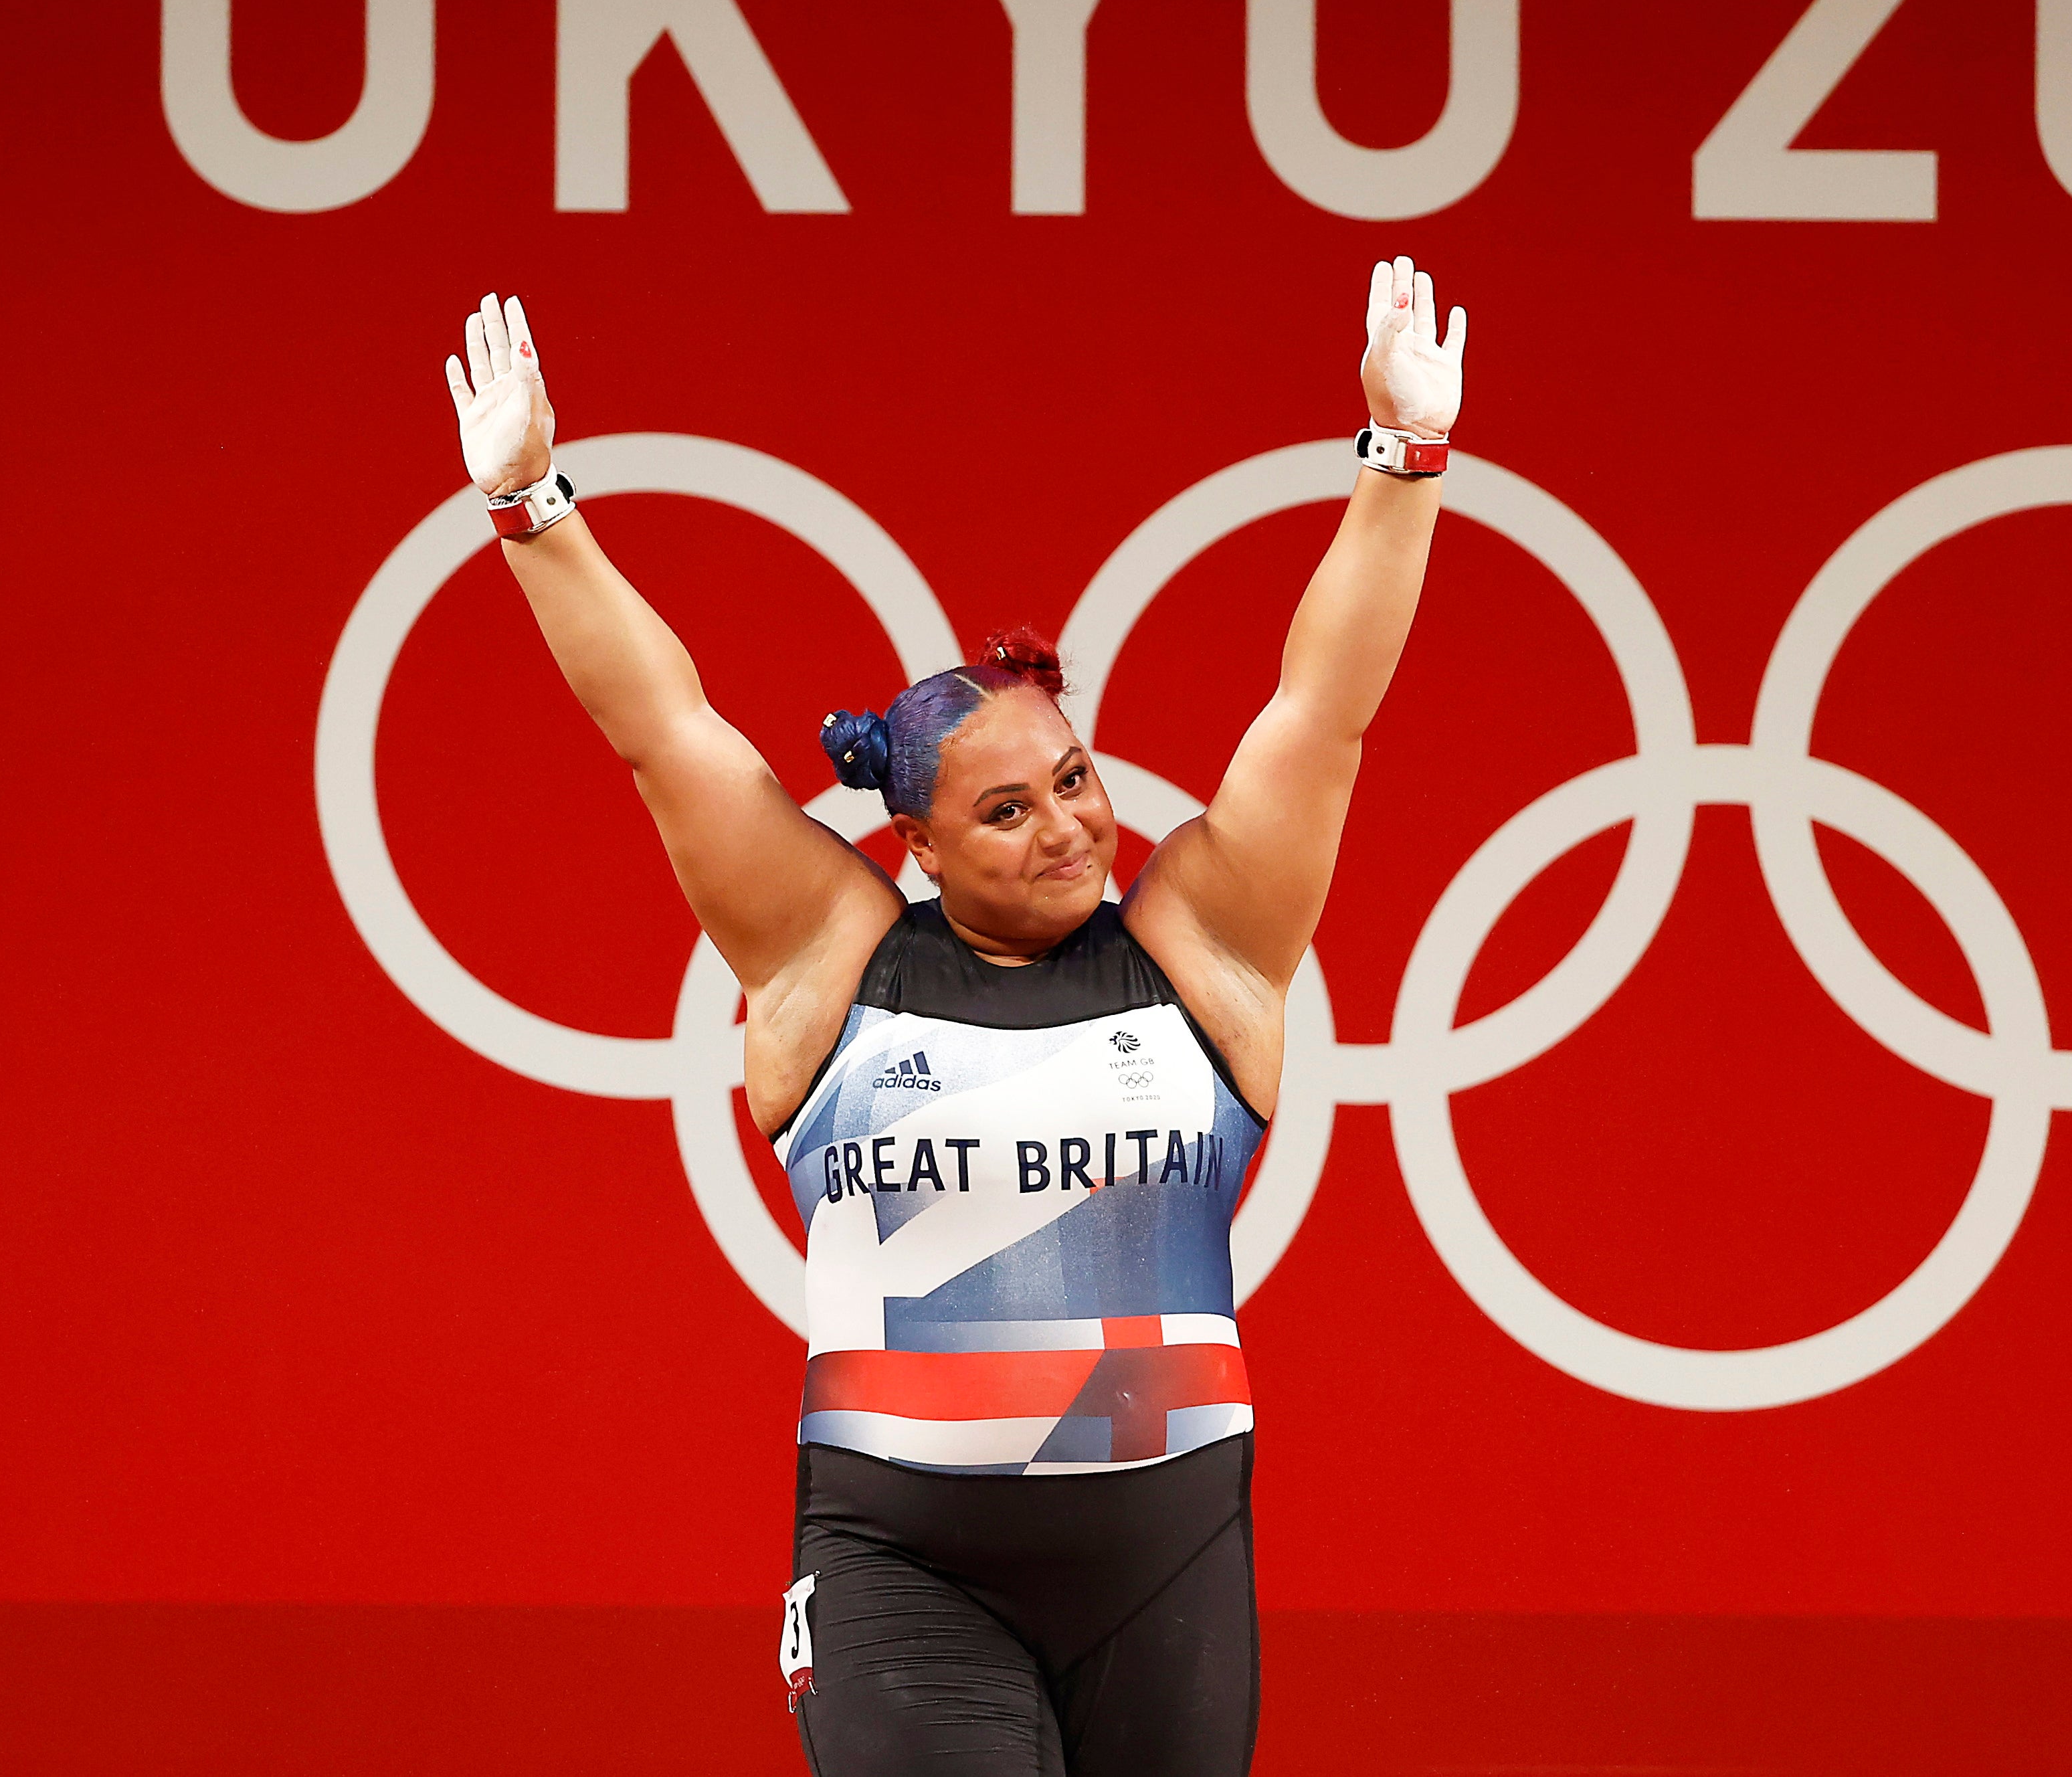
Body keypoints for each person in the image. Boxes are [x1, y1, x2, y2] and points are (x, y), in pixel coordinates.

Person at [440, 258, 1472, 1776]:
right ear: (915, 848)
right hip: (900, 1577)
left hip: (1167, 1575)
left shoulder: (1208, 945)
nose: (1068, 827)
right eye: (1004, 810)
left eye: (1072, 778)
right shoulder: (827, 964)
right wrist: (534, 506)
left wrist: (1402, 461)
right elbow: (663, 733)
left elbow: (1322, 710)